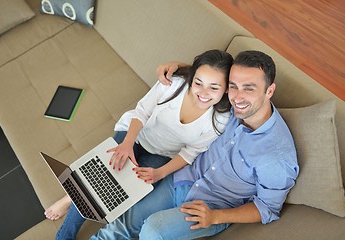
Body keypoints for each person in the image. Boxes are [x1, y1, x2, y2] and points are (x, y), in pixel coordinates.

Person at [87, 50, 299, 239]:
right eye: (233, 87)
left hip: (212, 206)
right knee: (120, 226)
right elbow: (208, 76)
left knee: (152, 231)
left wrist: (216, 217)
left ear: (269, 91)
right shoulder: (231, 109)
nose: (238, 97)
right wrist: (177, 67)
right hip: (183, 180)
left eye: (249, 88)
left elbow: (267, 209)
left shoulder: (277, 157)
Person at [45, 49, 234, 236]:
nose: (203, 92)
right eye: (198, 83)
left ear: (226, 89)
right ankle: (66, 232)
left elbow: (190, 153)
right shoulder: (173, 85)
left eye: (214, 87)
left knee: (120, 189)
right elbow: (141, 112)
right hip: (134, 134)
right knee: (101, 179)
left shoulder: (220, 119)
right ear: (192, 77)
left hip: (161, 155)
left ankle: (71, 196)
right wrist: (127, 143)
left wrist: (160, 173)